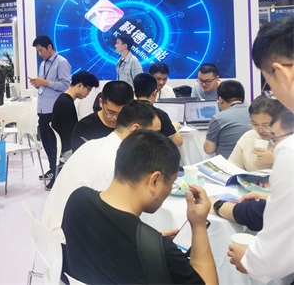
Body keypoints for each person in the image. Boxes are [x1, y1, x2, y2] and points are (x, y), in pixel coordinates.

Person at [62, 130, 217, 285]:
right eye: (172, 182)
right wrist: (198, 226)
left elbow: (108, 242)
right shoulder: (162, 252)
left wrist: (150, 245)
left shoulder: (77, 200)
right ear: (155, 180)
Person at [228, 16, 294, 283]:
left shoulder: (289, 151)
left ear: (282, 73)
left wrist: (248, 258)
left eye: (268, 84)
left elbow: (273, 257)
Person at [42, 100, 161, 245]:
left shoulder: (93, 145)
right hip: (69, 245)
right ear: (135, 130)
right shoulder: (116, 166)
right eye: (155, 134)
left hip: (50, 232)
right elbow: (117, 225)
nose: (158, 141)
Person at [29, 35, 71, 182]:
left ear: (49, 47)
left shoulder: (62, 62)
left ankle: (58, 172)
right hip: (42, 109)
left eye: (41, 50)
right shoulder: (43, 64)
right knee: (46, 143)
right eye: (37, 51)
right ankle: (52, 169)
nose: (40, 54)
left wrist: (45, 82)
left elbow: (65, 85)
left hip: (54, 110)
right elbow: (45, 84)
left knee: (54, 144)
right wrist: (38, 83)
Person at [49, 71, 98, 190]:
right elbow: (71, 134)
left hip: (65, 145)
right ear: (80, 85)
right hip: (68, 149)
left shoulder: (64, 99)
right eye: (88, 89)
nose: (88, 94)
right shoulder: (66, 104)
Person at [71, 80, 133, 151]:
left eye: (122, 113)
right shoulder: (84, 128)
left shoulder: (133, 125)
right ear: (101, 102)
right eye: (111, 112)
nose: (116, 118)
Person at [228, 95, 284, 171]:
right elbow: (233, 166)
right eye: (255, 124)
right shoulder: (249, 137)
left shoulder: (289, 140)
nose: (260, 130)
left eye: (266, 126)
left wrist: (276, 160)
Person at [134, 73, 183, 146]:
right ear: (154, 93)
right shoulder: (159, 115)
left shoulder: (126, 111)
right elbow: (178, 142)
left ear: (134, 93)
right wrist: (175, 127)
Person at [203, 80, 249, 158]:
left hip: (227, 163)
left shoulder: (218, 118)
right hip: (252, 162)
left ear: (220, 100)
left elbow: (209, 150)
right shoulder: (255, 115)